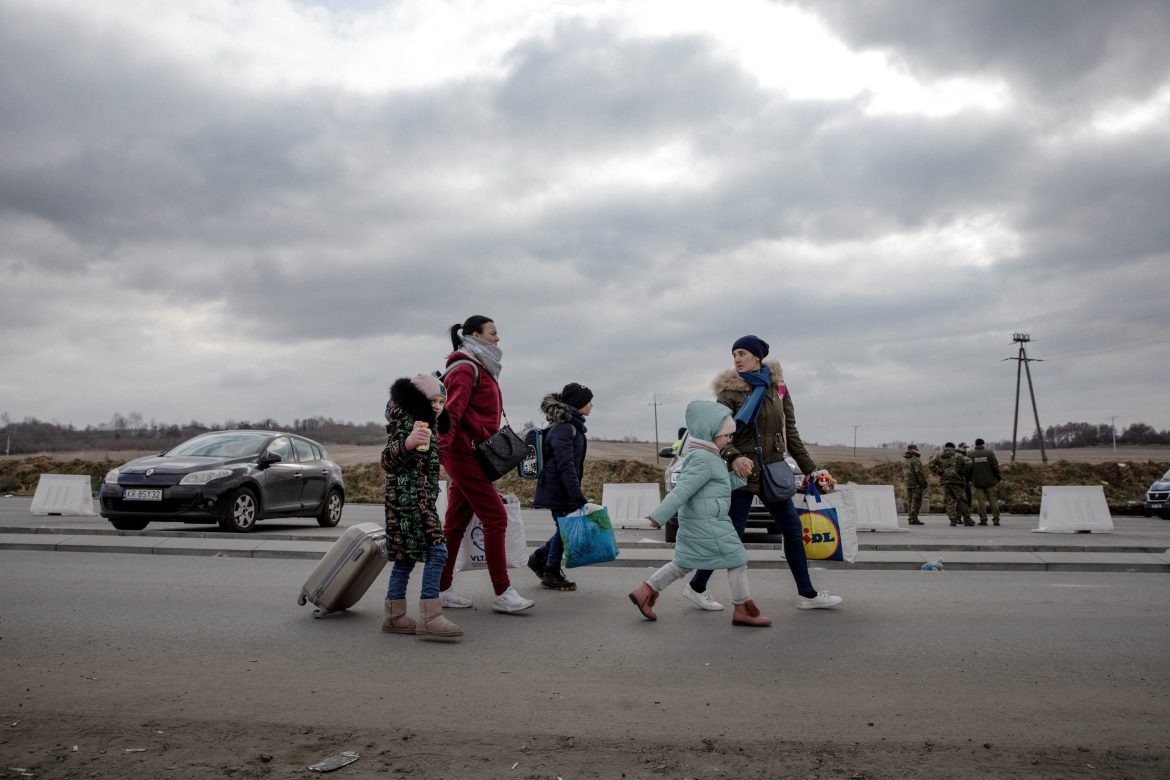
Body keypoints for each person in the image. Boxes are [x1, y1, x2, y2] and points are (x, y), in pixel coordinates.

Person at [685, 335, 842, 611]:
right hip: (743, 473)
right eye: (734, 354)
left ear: (758, 357)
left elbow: (789, 432)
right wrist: (733, 458)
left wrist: (812, 470)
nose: (737, 359)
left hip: (772, 471)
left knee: (793, 531)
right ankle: (696, 586)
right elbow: (718, 435)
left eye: (742, 353)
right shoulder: (729, 393)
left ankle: (808, 594)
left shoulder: (777, 388)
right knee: (732, 533)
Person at [628, 400, 771, 627]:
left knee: (683, 563)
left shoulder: (709, 457)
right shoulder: (703, 459)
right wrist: (659, 515)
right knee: (737, 559)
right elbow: (682, 490)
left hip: (703, 520)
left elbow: (715, 486)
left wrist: (739, 477)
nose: (729, 440)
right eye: (725, 435)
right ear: (709, 432)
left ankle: (646, 591)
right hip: (709, 522)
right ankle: (743, 609)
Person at [436, 315, 534, 614]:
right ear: (474, 335)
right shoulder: (465, 368)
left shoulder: (479, 366)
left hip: (471, 454)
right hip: (465, 456)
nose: (498, 338)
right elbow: (450, 414)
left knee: (453, 526)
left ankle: (441, 589)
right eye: (493, 332)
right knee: (495, 519)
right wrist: (440, 455)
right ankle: (503, 592)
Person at [380, 374, 462, 638]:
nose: (437, 405)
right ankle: (431, 616)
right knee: (437, 551)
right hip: (410, 503)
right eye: (432, 400)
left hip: (415, 500)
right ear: (418, 399)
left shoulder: (428, 425)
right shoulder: (409, 425)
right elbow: (387, 460)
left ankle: (394, 615)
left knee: (404, 558)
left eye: (441, 401)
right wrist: (407, 443)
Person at [529, 382, 600, 591]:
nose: (591, 406)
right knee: (565, 530)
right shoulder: (564, 428)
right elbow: (565, 465)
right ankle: (550, 571)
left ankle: (539, 557)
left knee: (564, 529)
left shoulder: (570, 426)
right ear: (578, 403)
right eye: (589, 401)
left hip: (561, 488)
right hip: (558, 489)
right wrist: (576, 495)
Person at [930, 442, 972, 527]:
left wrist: (940, 472)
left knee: (949, 502)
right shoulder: (958, 456)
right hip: (957, 481)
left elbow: (930, 465)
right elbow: (969, 462)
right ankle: (967, 520)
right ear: (953, 448)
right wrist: (962, 471)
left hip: (945, 481)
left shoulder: (939, 456)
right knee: (962, 501)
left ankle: (953, 520)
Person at [967, 438, 1003, 525]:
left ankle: (983, 519)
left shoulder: (970, 454)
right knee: (993, 501)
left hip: (977, 481)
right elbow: (995, 466)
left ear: (975, 444)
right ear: (983, 444)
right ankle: (996, 519)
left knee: (981, 502)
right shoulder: (989, 453)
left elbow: (968, 469)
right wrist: (999, 477)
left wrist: (969, 479)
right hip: (990, 481)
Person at [902, 443, 928, 525]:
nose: (917, 450)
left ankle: (911, 517)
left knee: (910, 501)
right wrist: (923, 482)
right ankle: (914, 518)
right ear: (913, 449)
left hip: (908, 483)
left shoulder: (905, 459)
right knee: (916, 501)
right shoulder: (915, 459)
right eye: (916, 449)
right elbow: (918, 472)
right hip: (916, 483)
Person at [956, 442, 974, 523]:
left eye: (966, 448)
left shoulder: (966, 456)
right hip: (959, 481)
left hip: (966, 480)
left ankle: (965, 517)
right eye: (963, 447)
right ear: (959, 447)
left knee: (968, 499)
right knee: (961, 500)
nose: (965, 449)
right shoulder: (957, 456)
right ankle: (959, 517)